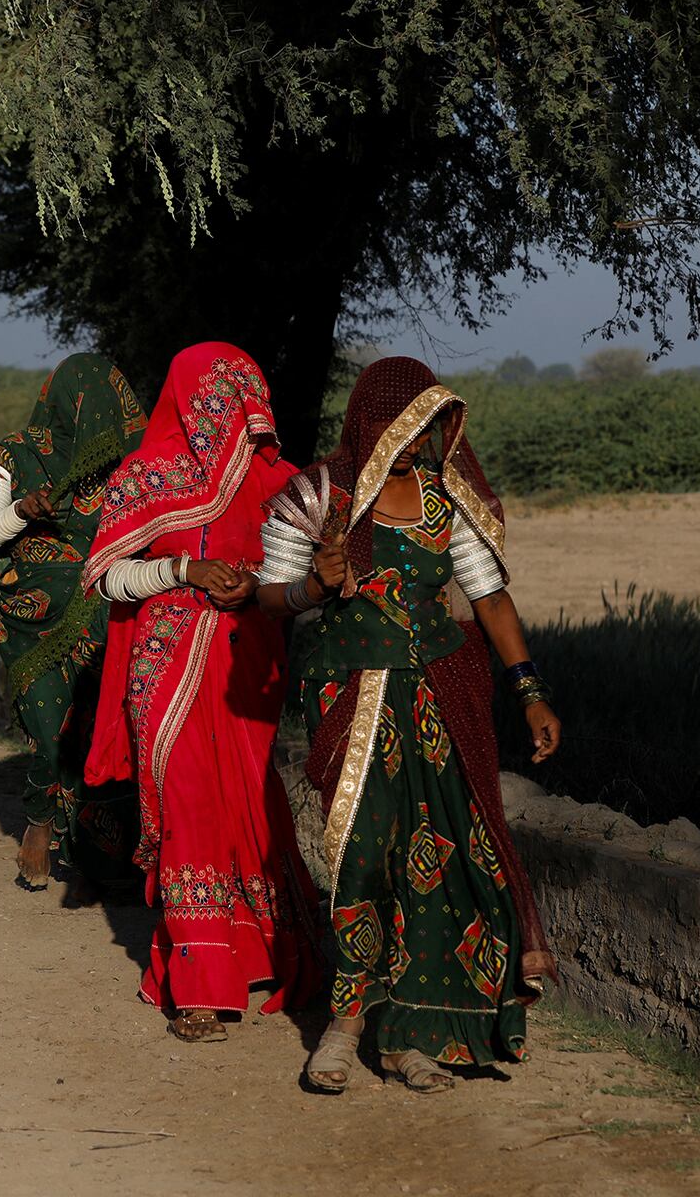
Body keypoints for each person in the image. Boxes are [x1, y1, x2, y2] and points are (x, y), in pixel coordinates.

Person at [254, 356, 562, 1093]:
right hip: (352, 697)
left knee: (444, 856)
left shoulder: (442, 500)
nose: (423, 436)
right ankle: (344, 1025)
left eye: (431, 423)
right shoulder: (315, 496)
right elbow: (267, 598)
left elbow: (488, 601)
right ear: (375, 421)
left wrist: (530, 691)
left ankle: (410, 1033)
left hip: (442, 697)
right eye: (411, 421)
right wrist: (315, 586)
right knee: (360, 855)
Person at [81, 342, 321, 1042]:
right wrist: (185, 570)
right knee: (187, 806)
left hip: (246, 672)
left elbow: (300, 586)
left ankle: (264, 957)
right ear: (184, 398)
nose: (234, 412)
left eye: (243, 393)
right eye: (218, 396)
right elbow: (106, 576)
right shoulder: (144, 475)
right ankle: (199, 984)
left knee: (248, 803)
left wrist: (259, 587)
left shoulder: (279, 483)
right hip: (167, 672)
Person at [0, 352, 149, 893]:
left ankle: (100, 854)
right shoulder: (11, 456)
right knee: (50, 732)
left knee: (97, 733)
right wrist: (20, 511)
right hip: (28, 617)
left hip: (103, 612)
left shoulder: (131, 467)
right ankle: (40, 823)